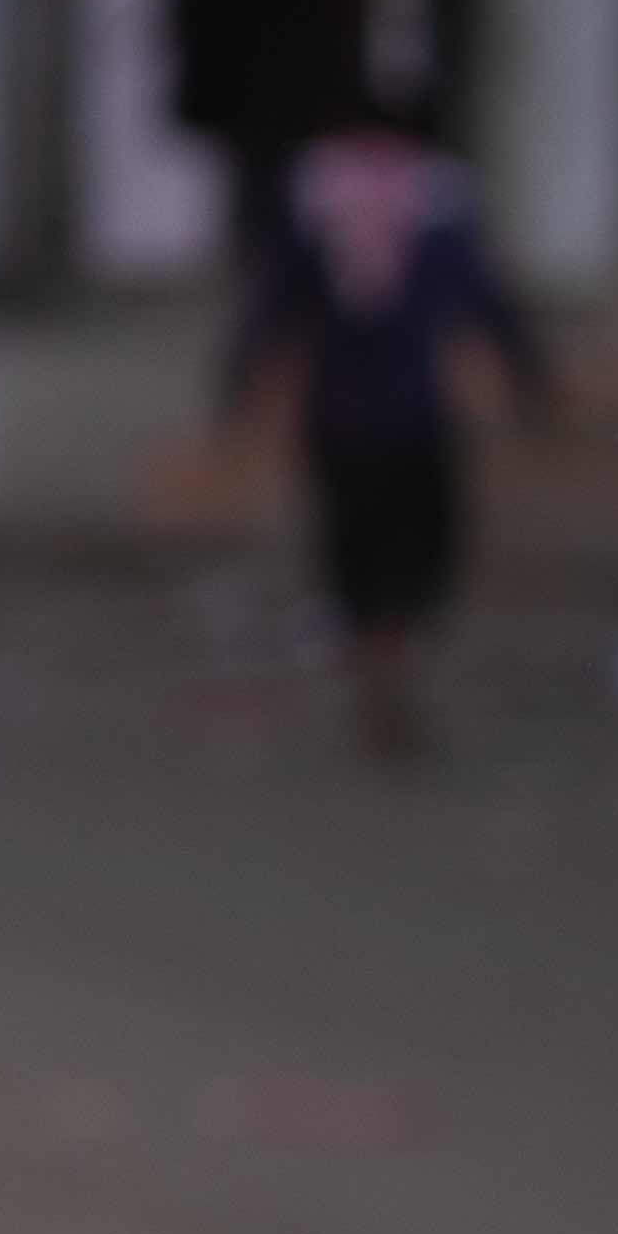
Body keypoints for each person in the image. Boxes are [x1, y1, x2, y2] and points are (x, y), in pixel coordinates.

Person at [224, 101, 553, 761]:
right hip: (413, 422)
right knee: (413, 556)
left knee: (358, 556)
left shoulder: (319, 211)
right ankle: (390, 666)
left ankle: (379, 668)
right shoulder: (434, 215)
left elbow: (270, 311)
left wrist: (237, 387)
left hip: (341, 424)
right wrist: (530, 378)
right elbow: (490, 302)